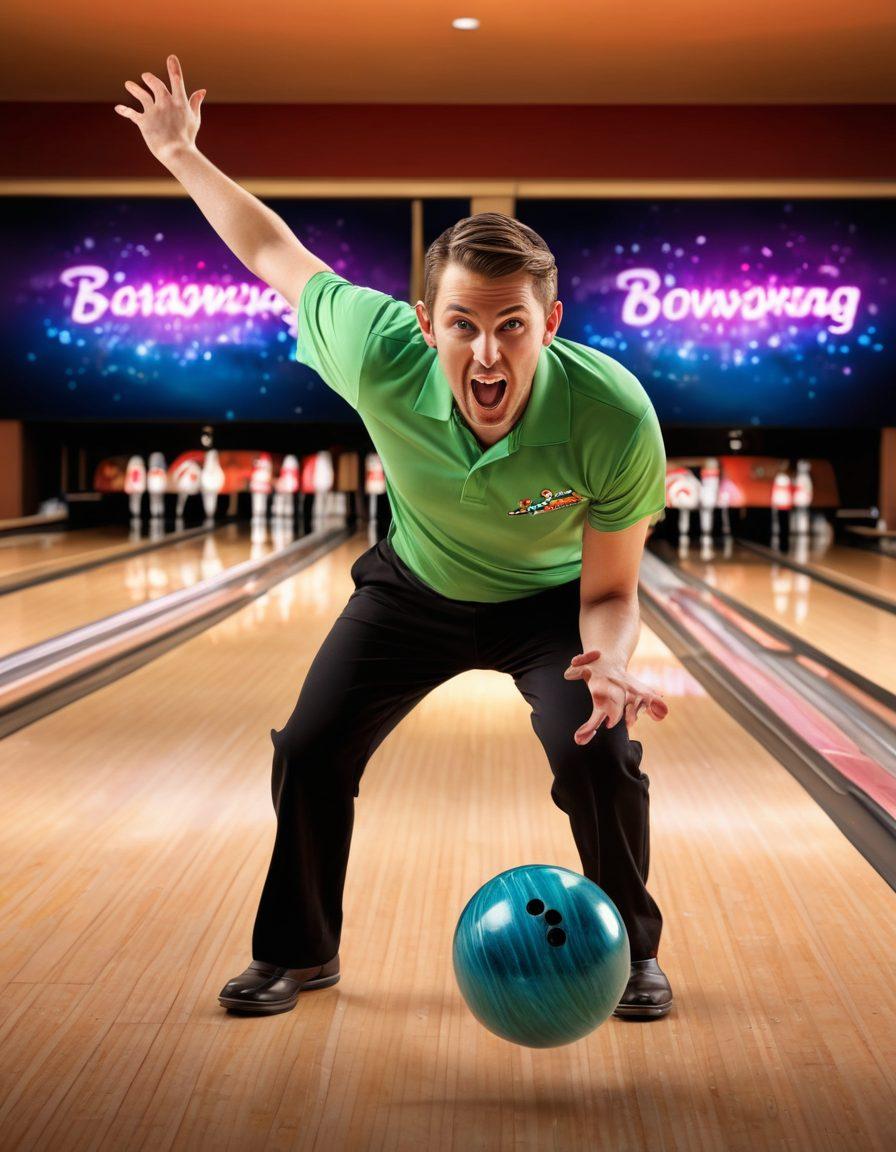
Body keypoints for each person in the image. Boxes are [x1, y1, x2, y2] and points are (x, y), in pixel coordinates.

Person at [116, 55, 673, 1022]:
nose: (487, 352)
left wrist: (611, 662)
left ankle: (631, 951)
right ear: (426, 324)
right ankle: (299, 952)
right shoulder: (379, 353)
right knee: (312, 746)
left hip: (553, 605)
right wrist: (180, 156)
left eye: (512, 326)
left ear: (553, 325)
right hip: (413, 591)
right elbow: (272, 250)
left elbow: (613, 590)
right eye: (462, 325)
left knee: (599, 750)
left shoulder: (613, 415)